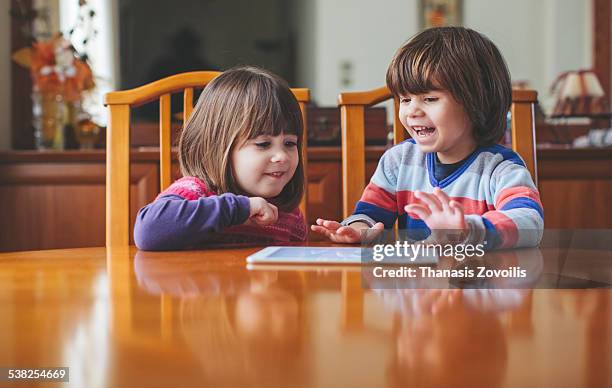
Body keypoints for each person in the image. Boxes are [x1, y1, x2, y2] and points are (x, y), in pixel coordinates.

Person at [312, 27, 544, 249]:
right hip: (415, 283)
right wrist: (358, 229)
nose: (412, 110)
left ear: (476, 101)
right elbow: (370, 215)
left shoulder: (500, 168)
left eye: (429, 99)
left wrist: (468, 230)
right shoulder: (399, 160)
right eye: (404, 99)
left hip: (479, 282)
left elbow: (530, 222)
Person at [134, 66, 307, 250]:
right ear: (218, 146)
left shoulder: (289, 216)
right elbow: (149, 231)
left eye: (289, 143)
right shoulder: (195, 193)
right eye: (263, 144)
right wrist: (240, 208)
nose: (281, 156)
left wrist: (337, 243)